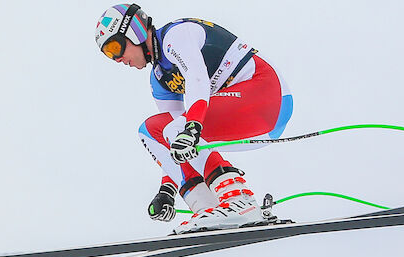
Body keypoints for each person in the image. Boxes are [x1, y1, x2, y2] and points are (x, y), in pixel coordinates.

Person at [95, 4, 293, 234]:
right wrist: (167, 190)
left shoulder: (176, 36)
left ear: (135, 32)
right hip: (237, 114)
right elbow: (173, 140)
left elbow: (198, 78)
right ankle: (207, 206)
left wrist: (191, 126)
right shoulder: (159, 78)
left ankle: (238, 200)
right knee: (150, 131)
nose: (117, 59)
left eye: (115, 47)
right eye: (109, 55)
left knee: (180, 128)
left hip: (266, 96)